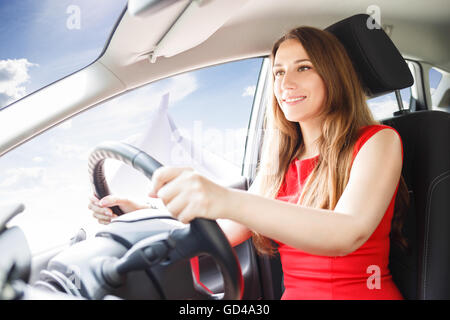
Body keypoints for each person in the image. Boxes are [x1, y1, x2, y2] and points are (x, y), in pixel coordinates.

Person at [88, 26, 409, 300]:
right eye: (279, 72)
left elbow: (347, 233)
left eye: (303, 68)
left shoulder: (378, 141)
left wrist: (226, 199)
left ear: (334, 75)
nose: (286, 84)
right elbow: (219, 233)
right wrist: (143, 215)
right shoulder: (280, 166)